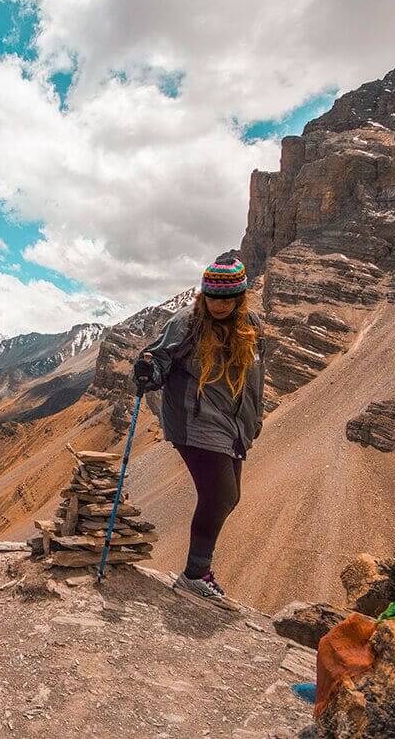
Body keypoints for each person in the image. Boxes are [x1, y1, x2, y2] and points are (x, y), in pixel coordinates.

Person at [131, 252, 265, 600]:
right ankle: (195, 574)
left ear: (240, 297)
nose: (218, 305)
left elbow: (256, 376)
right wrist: (148, 372)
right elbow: (158, 360)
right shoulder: (186, 323)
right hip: (194, 420)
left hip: (232, 423)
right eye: (213, 298)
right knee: (220, 496)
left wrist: (255, 417)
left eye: (227, 299)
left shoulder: (251, 325)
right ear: (204, 295)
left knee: (230, 497)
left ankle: (198, 571)